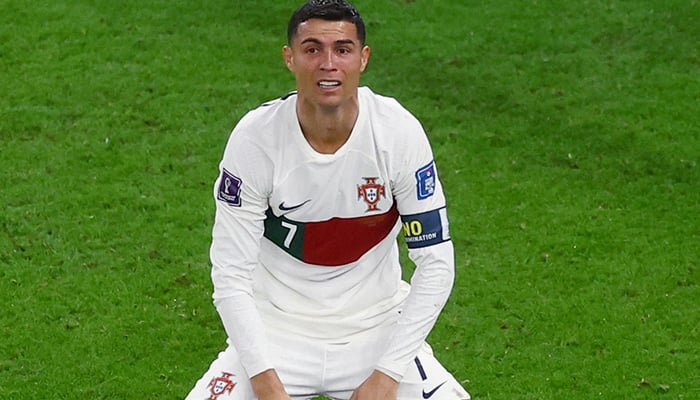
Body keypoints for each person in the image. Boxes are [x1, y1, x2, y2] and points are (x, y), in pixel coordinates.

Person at [185, 1, 470, 399]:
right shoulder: (255, 141)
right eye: (312, 49)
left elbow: (437, 264)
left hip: (377, 331)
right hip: (275, 334)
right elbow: (230, 273)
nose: (328, 64)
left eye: (343, 49)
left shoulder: (398, 133)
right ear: (290, 58)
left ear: (363, 58)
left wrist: (387, 374)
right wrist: (264, 381)